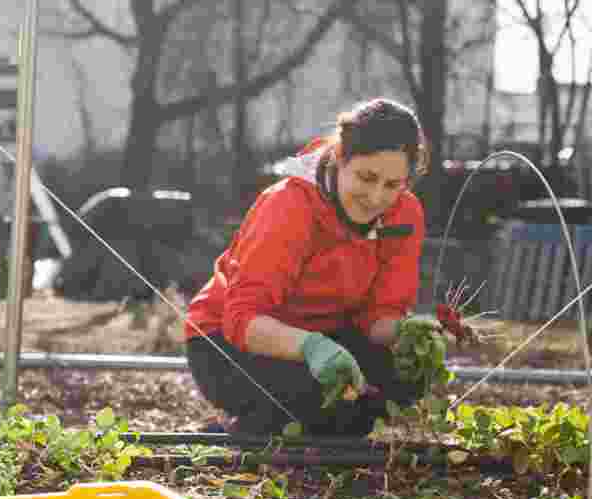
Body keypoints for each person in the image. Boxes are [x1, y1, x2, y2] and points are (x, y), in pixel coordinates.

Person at [184, 97, 438, 437]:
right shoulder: (289, 205)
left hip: (328, 336)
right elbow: (242, 321)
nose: (377, 197)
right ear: (340, 159)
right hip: (227, 345)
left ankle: (293, 424)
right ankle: (239, 427)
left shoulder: (404, 214)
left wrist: (407, 332)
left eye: (393, 185)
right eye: (366, 177)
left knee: (407, 377)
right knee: (322, 400)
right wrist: (312, 347)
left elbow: (376, 317)